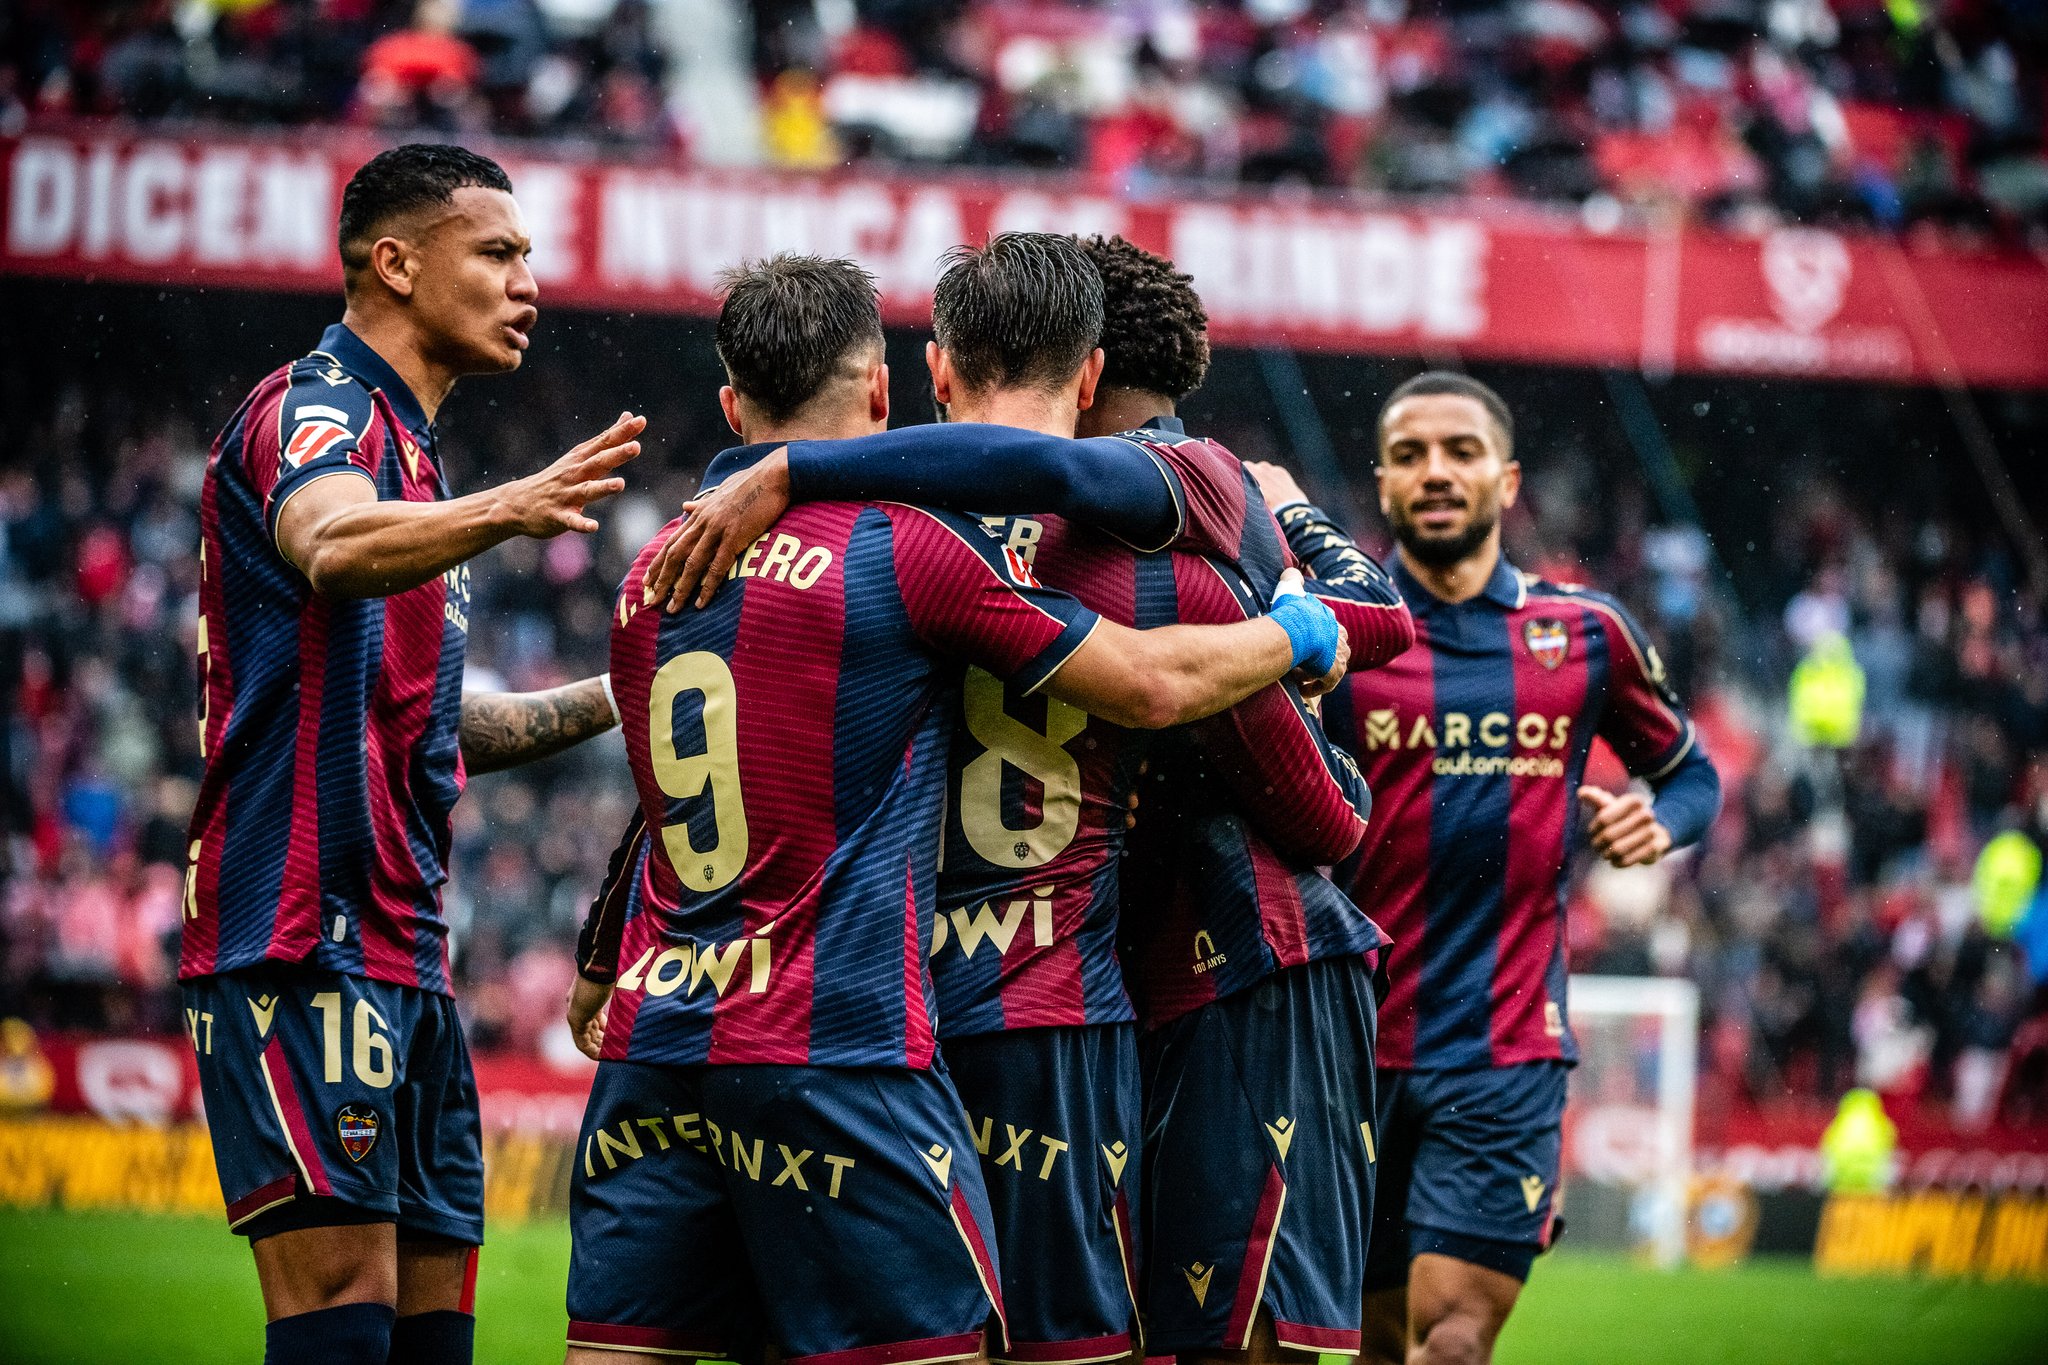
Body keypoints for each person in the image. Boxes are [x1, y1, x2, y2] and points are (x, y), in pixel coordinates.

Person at [561, 254, 1346, 1365]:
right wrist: (1304, 631)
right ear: (884, 389)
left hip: (681, 1021)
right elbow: (1167, 696)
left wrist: (601, 947)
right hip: (921, 1028)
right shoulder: (930, 546)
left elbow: (675, 781)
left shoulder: (656, 571)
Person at [178, 143, 644, 1365]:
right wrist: (510, 507)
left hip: (405, 948)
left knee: (435, 1330)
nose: (527, 283)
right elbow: (328, 545)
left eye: (526, 258)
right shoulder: (315, 411)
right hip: (299, 934)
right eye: (497, 253)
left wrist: (627, 690)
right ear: (394, 261)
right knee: (341, 1319)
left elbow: (438, 724)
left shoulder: (415, 461)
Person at [1252, 371, 1722, 1365]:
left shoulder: (1584, 635)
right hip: (1347, 1050)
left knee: (1454, 1341)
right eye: (1411, 455)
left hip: (1504, 1048)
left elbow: (1688, 773)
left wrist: (1656, 822)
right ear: (1380, 486)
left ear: (1505, 482)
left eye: (1459, 452)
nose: (1435, 472)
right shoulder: (1335, 640)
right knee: (1377, 1347)